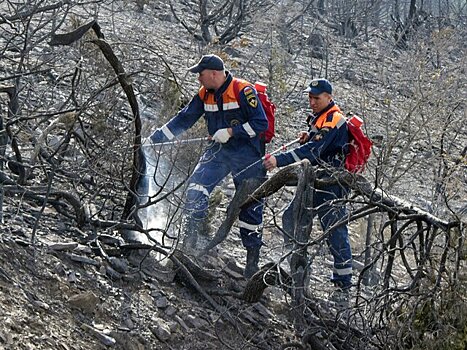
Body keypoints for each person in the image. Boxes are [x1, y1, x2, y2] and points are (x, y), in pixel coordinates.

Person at [149, 54, 268, 278]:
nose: (198, 80)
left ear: (214, 74)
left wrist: (232, 131)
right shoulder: (204, 94)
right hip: (218, 152)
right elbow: (184, 119)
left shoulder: (243, 90)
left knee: (250, 208)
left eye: (200, 75)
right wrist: (156, 138)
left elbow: (261, 123)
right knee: (196, 188)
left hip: (247, 155)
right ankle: (190, 244)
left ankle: (252, 263)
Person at [263, 78, 353, 292]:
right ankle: (296, 265)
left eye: (317, 98)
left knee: (335, 232)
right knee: (290, 218)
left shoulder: (334, 118)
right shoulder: (320, 117)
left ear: (329, 97)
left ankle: (343, 286)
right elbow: (317, 143)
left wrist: (279, 160)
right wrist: (309, 135)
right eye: (310, 97)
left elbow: (313, 151)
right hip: (315, 182)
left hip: (331, 185)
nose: (312, 102)